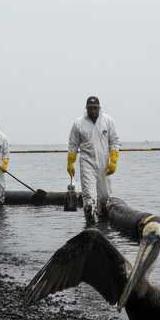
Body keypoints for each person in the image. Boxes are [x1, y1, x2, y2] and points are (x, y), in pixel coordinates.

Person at [67, 96, 120, 225]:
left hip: (104, 164)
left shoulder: (107, 121)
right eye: (90, 108)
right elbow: (73, 145)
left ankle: (104, 226)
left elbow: (114, 141)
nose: (93, 111)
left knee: (105, 196)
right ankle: (90, 225)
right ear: (86, 108)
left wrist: (113, 161)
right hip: (87, 163)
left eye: (95, 108)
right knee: (89, 196)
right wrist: (70, 162)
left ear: (99, 108)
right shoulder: (78, 123)